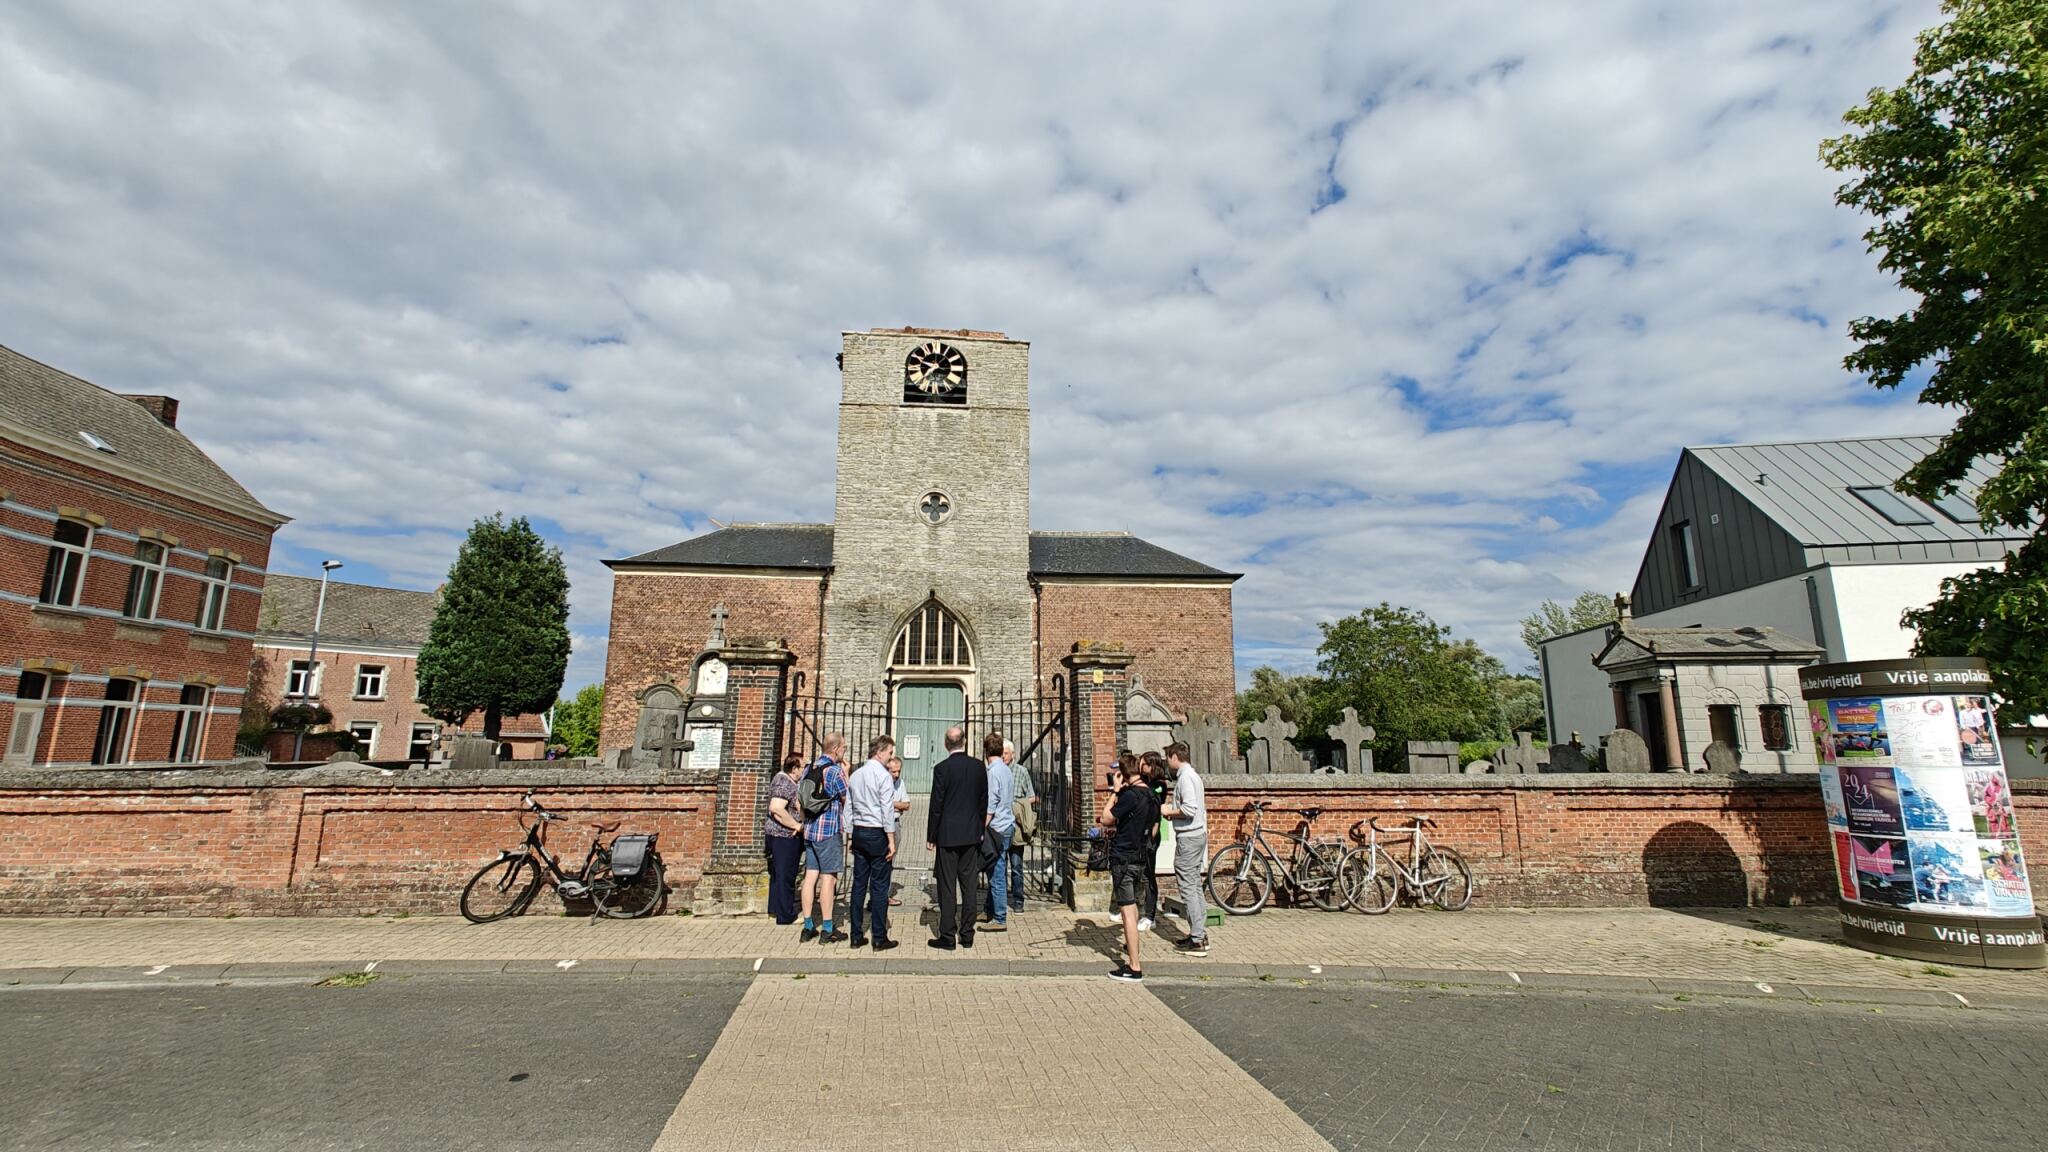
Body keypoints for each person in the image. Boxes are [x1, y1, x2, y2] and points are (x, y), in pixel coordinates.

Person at [925, 725, 988, 950]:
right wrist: (980, 827)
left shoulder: (941, 769)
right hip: (971, 834)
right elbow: (983, 801)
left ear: (945, 744)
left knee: (947, 886)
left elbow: (936, 805)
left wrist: (931, 835)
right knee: (969, 885)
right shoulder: (979, 767)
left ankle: (948, 936)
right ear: (965, 742)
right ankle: (968, 935)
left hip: (948, 835)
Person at [1098, 752, 1159, 982]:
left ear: (1123, 775)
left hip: (1124, 857)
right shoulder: (1152, 795)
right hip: (1141, 856)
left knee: (1126, 910)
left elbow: (1105, 818)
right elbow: (1153, 827)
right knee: (1133, 907)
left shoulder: (1129, 796)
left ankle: (1134, 967)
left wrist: (1115, 792)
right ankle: (1131, 949)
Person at [845, 735, 900, 951]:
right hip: (877, 832)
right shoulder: (883, 777)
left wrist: (849, 835)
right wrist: (891, 839)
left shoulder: (856, 775)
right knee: (879, 886)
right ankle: (879, 936)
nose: (891, 757)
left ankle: (856, 935)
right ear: (880, 751)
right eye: (889, 753)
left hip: (859, 831)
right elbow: (887, 809)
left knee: (858, 885)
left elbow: (848, 807)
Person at [797, 732, 850, 944]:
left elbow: (800, 799)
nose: (845, 751)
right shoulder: (835, 771)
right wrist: (847, 773)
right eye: (844, 748)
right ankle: (828, 928)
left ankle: (808, 925)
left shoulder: (809, 768)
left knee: (810, 877)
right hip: (828, 832)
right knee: (828, 878)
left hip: (809, 830)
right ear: (836, 748)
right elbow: (847, 799)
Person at [1161, 740, 1210, 956]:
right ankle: (1199, 932)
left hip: (1189, 838)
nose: (1167, 762)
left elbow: (1189, 809)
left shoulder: (1186, 778)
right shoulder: (1193, 776)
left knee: (1188, 887)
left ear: (1174, 757)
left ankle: (1198, 939)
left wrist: (1169, 811)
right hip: (1197, 835)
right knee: (1195, 886)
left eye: (1167, 758)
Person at [764, 752, 807, 925]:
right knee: (785, 875)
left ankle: (775, 909)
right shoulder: (783, 782)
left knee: (778, 874)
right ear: (794, 768)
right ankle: (786, 915)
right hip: (784, 836)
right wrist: (796, 825)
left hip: (780, 835)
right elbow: (776, 808)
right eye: (802, 767)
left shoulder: (787, 781)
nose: (804, 771)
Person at [980, 731, 1016, 931]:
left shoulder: (993, 771)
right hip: (1007, 824)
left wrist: (981, 825)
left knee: (997, 872)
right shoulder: (1006, 769)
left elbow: (991, 803)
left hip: (998, 828)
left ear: (985, 750)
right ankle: (989, 910)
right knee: (994, 867)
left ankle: (1000, 918)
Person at [1136, 751, 1169, 932]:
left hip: (1151, 834)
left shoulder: (1159, 785)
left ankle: (1150, 915)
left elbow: (1155, 811)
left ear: (1151, 765)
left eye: (1143, 764)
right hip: (1139, 833)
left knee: (1149, 874)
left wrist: (1150, 837)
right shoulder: (1143, 781)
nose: (1141, 768)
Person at [1004, 737, 1034, 916]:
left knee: (1016, 865)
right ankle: (996, 900)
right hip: (1000, 825)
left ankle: (1018, 900)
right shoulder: (995, 771)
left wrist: (1017, 806)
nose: (1003, 756)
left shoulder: (1021, 772)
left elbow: (1031, 796)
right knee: (999, 865)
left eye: (1006, 753)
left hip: (1015, 825)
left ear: (1013, 754)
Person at [886, 754, 911, 906]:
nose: (896, 774)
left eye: (898, 771)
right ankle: (879, 897)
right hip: (883, 824)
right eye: (893, 771)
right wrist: (897, 804)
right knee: (883, 861)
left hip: (895, 823)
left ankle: (885, 894)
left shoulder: (900, 782)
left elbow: (907, 804)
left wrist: (892, 804)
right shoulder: (882, 782)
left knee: (891, 860)